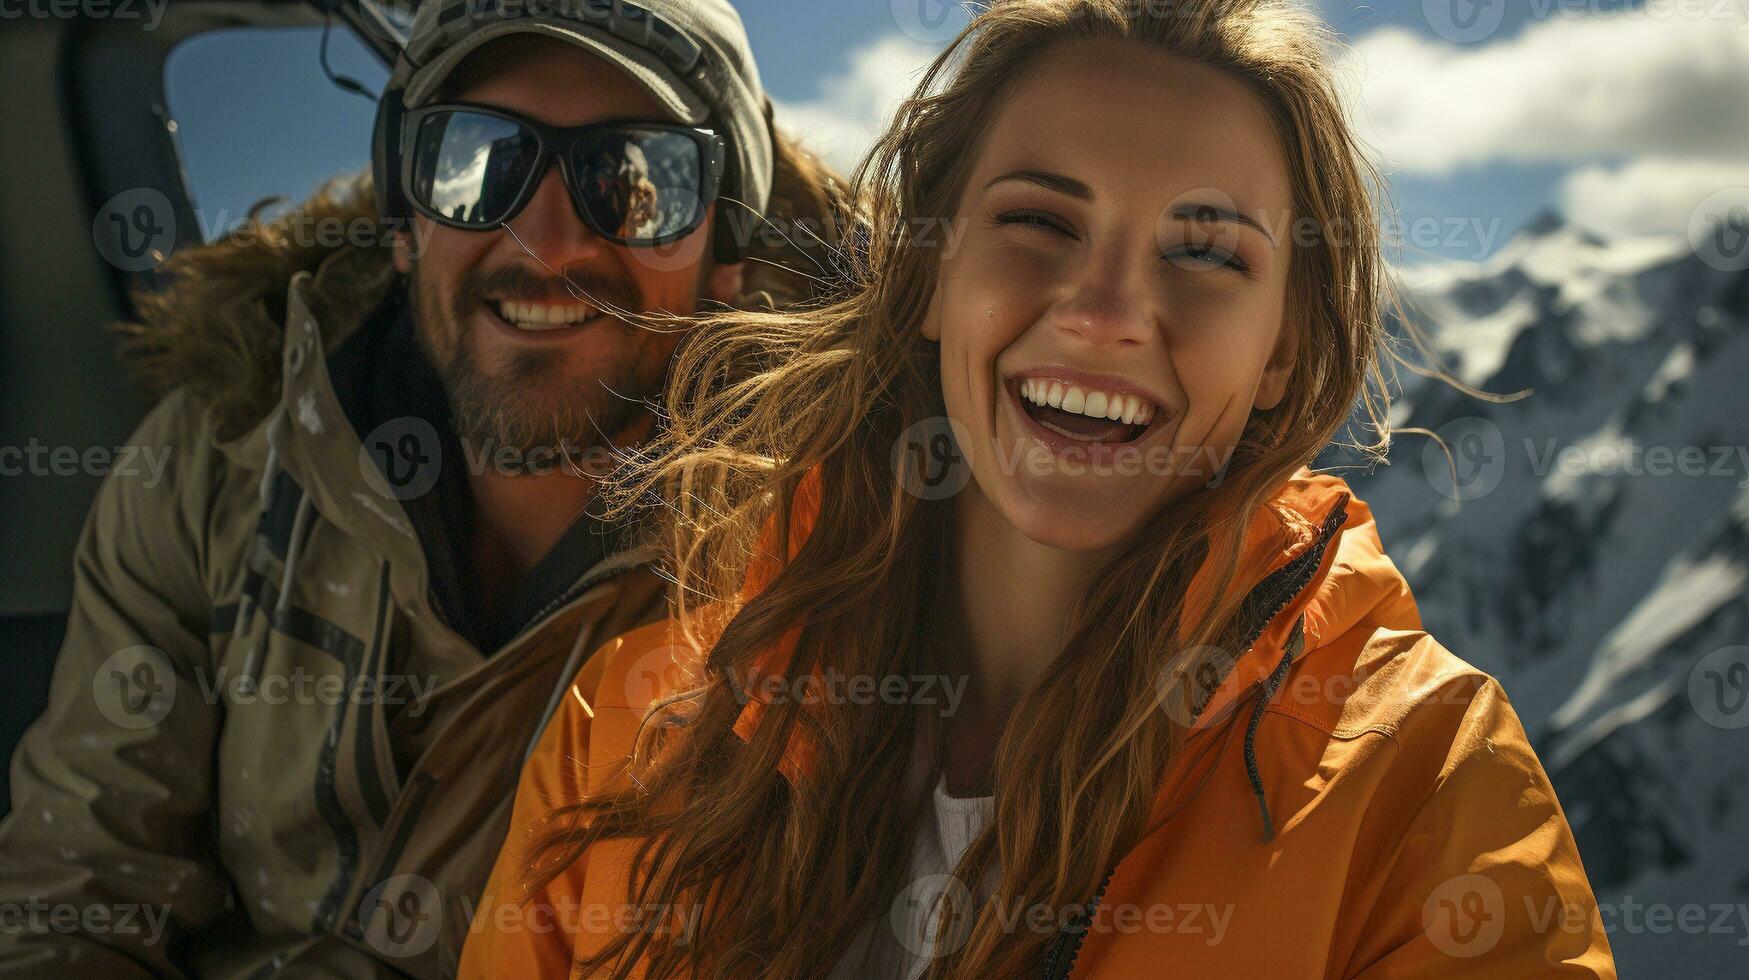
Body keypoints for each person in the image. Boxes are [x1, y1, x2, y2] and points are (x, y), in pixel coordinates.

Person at [461, 0, 1621, 977]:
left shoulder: (1420, 786)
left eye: (1207, 251)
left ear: (1282, 350)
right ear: (925, 271)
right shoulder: (633, 733)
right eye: (1036, 221)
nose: (1105, 311)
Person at [0, 0, 845, 976]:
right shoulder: (218, 459)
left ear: (726, 250)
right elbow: (79, 894)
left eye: (638, 179)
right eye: (477, 160)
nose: (546, 241)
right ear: (403, 219)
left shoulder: (813, 566)